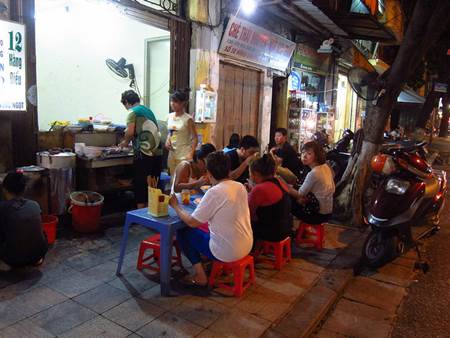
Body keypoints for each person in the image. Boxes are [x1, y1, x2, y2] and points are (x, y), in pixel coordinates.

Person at [169, 151, 253, 286]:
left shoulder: (215, 192)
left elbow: (192, 222)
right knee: (205, 230)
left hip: (227, 252)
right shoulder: (239, 186)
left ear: (209, 172)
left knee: (183, 232)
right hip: (247, 245)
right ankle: (206, 263)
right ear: (228, 169)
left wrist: (176, 206)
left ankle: (200, 276)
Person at [119, 90, 162, 209]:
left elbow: (130, 131)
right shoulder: (148, 110)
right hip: (158, 151)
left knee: (141, 182)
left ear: (127, 102)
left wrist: (125, 142)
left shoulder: (132, 112)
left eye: (125, 105)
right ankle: (152, 210)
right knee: (153, 182)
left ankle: (140, 213)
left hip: (144, 152)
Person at [0, 172, 48, 268]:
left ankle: (5, 263)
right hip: (38, 254)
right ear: (25, 189)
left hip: (14, 259)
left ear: (4, 189)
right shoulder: (34, 204)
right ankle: (34, 259)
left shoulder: (2, 208)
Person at [247, 154, 292, 243]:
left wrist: (249, 194)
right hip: (286, 228)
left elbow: (249, 213)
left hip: (273, 233)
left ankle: (248, 250)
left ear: (255, 173)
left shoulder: (259, 189)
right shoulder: (278, 181)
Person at [288, 141, 335, 224]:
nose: (304, 156)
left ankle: (286, 231)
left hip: (316, 215)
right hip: (328, 212)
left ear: (316, 156)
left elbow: (300, 194)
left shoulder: (314, 173)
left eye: (309, 153)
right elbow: (333, 189)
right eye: (303, 153)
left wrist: (283, 185)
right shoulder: (325, 166)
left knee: (287, 200)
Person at [166, 89, 198, 176]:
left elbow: (195, 138)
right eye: (171, 101)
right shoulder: (169, 116)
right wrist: (167, 140)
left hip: (184, 154)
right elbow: (171, 132)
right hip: (172, 154)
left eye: (175, 101)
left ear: (183, 103)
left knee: (182, 180)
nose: (172, 103)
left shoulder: (188, 119)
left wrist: (191, 153)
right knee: (173, 179)